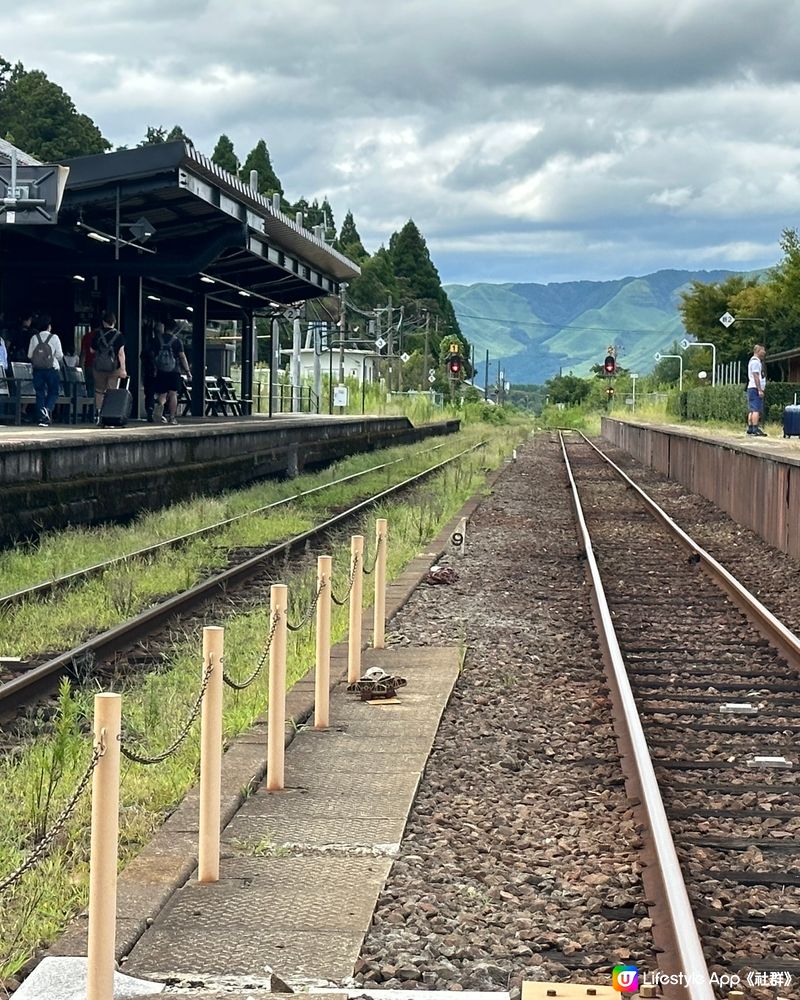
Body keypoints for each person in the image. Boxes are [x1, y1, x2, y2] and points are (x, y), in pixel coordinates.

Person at [28, 314, 63, 426]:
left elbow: (29, 355)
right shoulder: (54, 338)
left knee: (39, 393)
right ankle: (47, 410)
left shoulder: (34, 338)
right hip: (52, 369)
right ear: (49, 326)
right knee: (54, 391)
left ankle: (42, 417)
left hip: (38, 369)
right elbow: (59, 355)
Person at [153, 323, 191, 425]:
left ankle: (160, 414)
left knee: (162, 394)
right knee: (173, 394)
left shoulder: (157, 340)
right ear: (174, 330)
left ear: (165, 328)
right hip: (174, 371)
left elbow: (152, 355)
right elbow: (182, 356)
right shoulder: (177, 341)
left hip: (161, 371)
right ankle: (172, 417)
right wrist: (187, 371)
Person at [92, 312, 126, 420]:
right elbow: (121, 353)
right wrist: (123, 369)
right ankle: (110, 415)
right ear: (114, 322)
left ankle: (98, 414)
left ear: (103, 322)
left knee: (99, 391)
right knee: (111, 391)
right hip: (113, 368)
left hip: (99, 367)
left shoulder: (97, 334)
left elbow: (91, 350)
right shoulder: (119, 335)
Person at [140, 323, 161, 422]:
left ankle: (150, 409)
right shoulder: (169, 341)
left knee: (149, 393)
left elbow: (142, 355)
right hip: (162, 371)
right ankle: (161, 412)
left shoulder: (149, 343)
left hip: (149, 371)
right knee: (164, 392)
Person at [746, 343, 767, 436]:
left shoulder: (753, 361)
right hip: (755, 388)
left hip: (751, 388)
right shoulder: (755, 362)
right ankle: (755, 428)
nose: (764, 352)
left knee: (752, 409)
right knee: (756, 409)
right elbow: (756, 376)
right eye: (763, 350)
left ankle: (750, 428)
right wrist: (759, 389)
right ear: (758, 351)